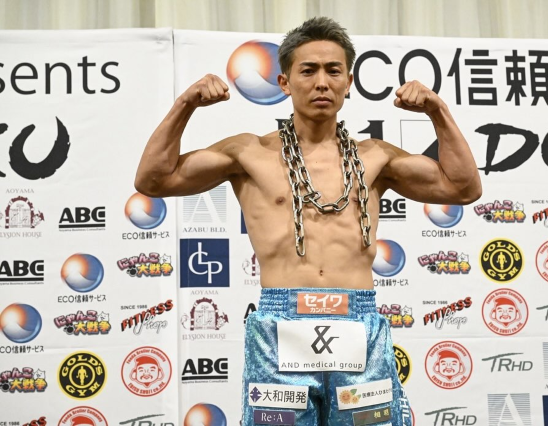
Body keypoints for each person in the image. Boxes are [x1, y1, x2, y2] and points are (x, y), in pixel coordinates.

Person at [136, 16, 481, 426]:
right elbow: (153, 179)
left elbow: (462, 188)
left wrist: (438, 111)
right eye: (308, 70)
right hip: (281, 321)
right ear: (284, 82)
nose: (322, 82)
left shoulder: (376, 157)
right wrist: (185, 105)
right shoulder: (249, 154)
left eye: (333, 71)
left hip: (357, 318)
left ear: (348, 82)